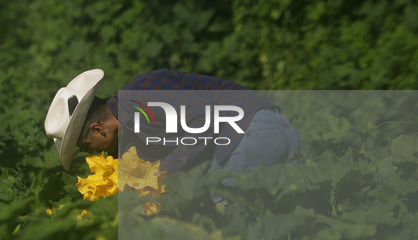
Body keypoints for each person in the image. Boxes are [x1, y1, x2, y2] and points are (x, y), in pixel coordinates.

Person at [44, 69, 299, 177]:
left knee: (219, 219)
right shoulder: (134, 121)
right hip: (273, 129)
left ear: (98, 129)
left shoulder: (138, 98)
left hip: (249, 132)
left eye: (86, 147)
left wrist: (160, 172)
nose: (93, 154)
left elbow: (203, 120)